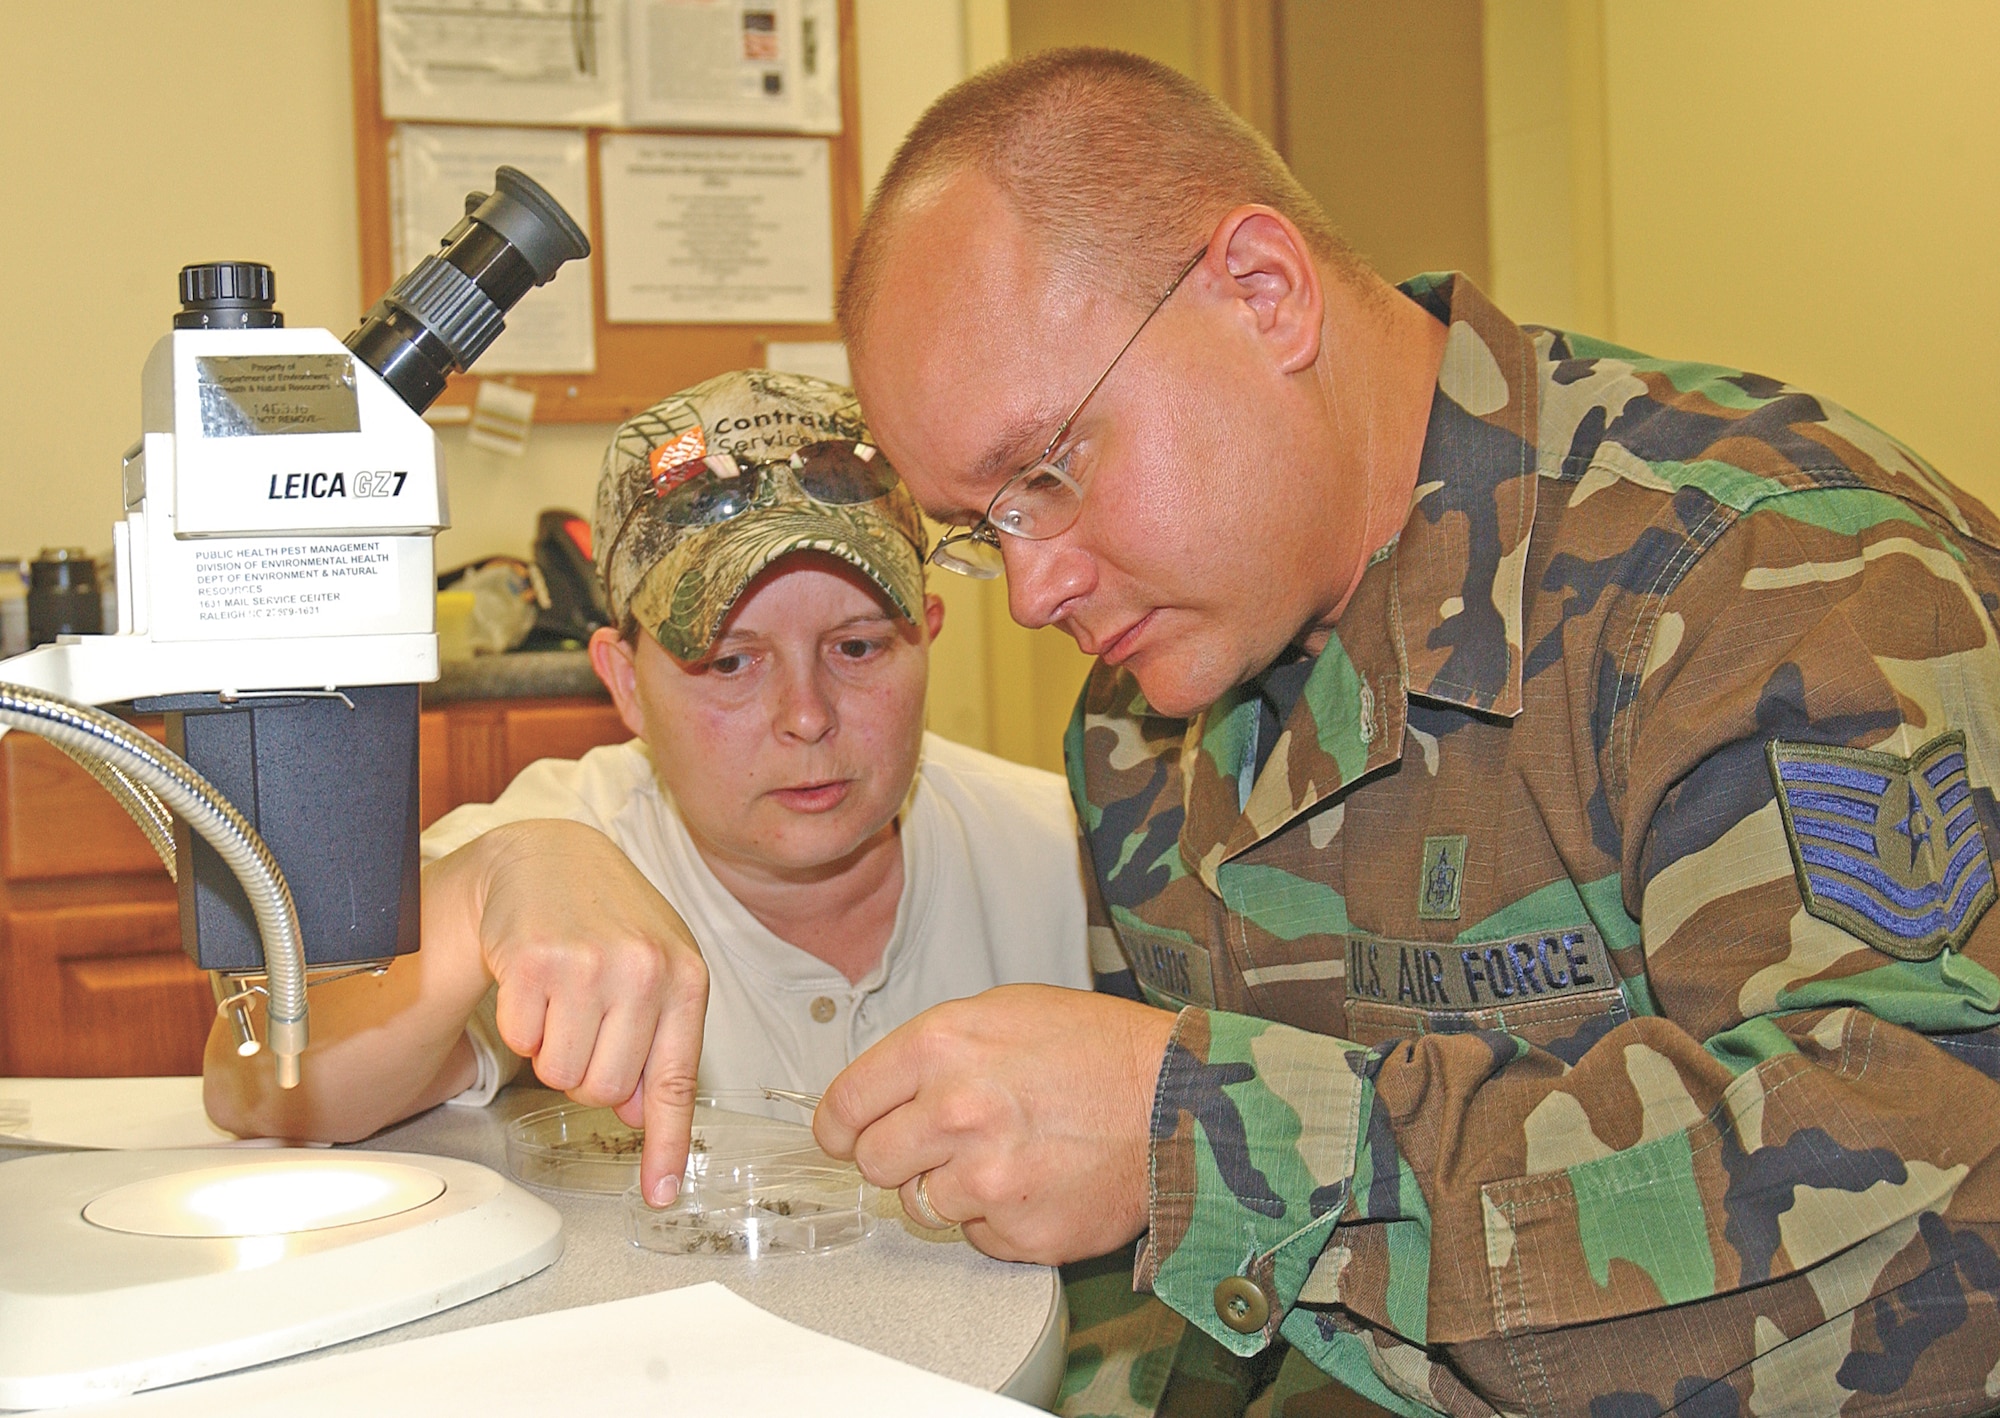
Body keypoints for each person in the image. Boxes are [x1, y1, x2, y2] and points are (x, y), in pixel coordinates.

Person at [809, 47, 2000, 1418]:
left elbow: (1930, 1214)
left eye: (1050, 472)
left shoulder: (1766, 576)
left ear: (1265, 294)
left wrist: (1200, 1136)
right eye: (981, 529)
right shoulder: (1145, 726)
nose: (1032, 589)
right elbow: (1228, 1313)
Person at [203, 369, 1093, 1211]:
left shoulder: (1078, 853)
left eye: (857, 648)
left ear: (926, 639)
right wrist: (486, 889)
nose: (808, 716)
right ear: (624, 682)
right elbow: (255, 1083)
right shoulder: (560, 843)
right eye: (731, 662)